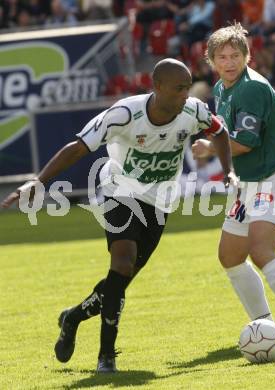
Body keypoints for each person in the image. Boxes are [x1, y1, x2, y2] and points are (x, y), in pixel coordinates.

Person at [1, 59, 237, 373]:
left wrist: (228, 172)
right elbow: (78, 147)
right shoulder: (125, 114)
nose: (185, 94)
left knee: (118, 283)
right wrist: (38, 182)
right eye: (179, 88)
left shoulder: (193, 111)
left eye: (187, 87)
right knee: (122, 264)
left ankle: (72, 318)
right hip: (119, 191)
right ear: (158, 87)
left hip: (160, 201)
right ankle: (106, 357)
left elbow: (220, 133)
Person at [192, 23, 275, 347]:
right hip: (250, 182)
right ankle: (263, 327)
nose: (229, 62)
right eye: (222, 56)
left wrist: (209, 148)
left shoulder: (251, 88)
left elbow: (245, 143)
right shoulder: (222, 89)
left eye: (235, 55)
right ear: (212, 61)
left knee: (261, 250)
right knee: (230, 256)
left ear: (246, 56)